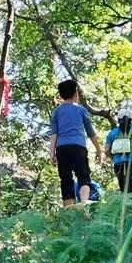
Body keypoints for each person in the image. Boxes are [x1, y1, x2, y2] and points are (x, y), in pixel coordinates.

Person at [48, 78, 102, 207]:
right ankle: (83, 204)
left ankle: (69, 209)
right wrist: (98, 149)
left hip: (62, 148)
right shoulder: (81, 110)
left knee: (65, 179)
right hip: (79, 147)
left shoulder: (56, 112)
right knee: (83, 176)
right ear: (75, 93)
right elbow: (90, 132)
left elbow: (54, 134)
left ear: (61, 95)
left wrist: (52, 153)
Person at [104, 112, 132, 192]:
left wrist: (114, 158)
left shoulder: (112, 133)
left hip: (119, 163)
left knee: (125, 191)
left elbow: (107, 150)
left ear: (118, 120)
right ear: (131, 120)